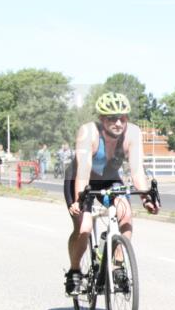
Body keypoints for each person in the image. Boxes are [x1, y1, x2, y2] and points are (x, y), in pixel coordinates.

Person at [64, 92, 159, 296]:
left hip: (109, 177)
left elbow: (136, 171)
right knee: (85, 227)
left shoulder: (133, 133)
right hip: (81, 179)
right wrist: (80, 200)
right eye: (111, 118)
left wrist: (145, 198)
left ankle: (117, 266)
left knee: (125, 214)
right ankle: (74, 271)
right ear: (101, 119)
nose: (118, 122)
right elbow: (82, 171)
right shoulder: (88, 133)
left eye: (122, 118)